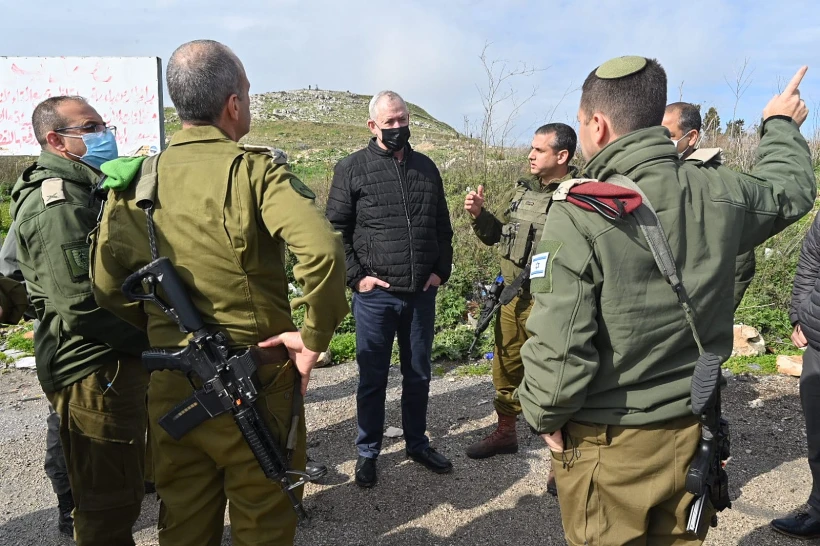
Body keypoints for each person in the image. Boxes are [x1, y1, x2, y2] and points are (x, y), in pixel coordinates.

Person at [518, 56, 813, 545]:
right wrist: (779, 124)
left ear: (597, 123)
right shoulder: (718, 189)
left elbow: (560, 341)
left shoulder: (580, 211)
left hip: (609, 442)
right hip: (692, 429)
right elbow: (789, 190)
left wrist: (543, 415)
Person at [91, 39, 348, 545]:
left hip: (172, 381)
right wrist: (312, 339)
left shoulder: (137, 183)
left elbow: (106, 286)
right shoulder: (255, 171)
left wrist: (163, 329)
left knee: (183, 522)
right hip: (255, 378)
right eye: (247, 94)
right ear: (234, 103)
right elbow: (323, 254)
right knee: (264, 520)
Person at [10, 96, 151, 546]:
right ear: (56, 139)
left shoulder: (85, 188)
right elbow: (80, 305)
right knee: (106, 505)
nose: (102, 134)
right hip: (92, 365)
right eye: (89, 127)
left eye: (101, 124)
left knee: (119, 489)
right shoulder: (59, 203)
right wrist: (152, 341)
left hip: (105, 360)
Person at [325, 90, 454, 488]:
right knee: (373, 378)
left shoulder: (427, 167)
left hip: (420, 294)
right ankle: (368, 452)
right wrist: (356, 277)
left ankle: (416, 443)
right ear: (373, 126)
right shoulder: (351, 169)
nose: (398, 127)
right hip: (376, 296)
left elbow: (442, 225)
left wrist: (440, 271)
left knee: (418, 374)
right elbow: (334, 231)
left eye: (403, 120)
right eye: (390, 122)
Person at [463, 123, 578, 491]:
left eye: (539, 150)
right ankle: (505, 432)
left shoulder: (579, 196)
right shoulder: (523, 190)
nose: (530, 155)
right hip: (512, 299)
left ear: (562, 156)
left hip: (552, 301)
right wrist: (481, 216)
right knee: (506, 363)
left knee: (552, 374)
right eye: (531, 148)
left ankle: (560, 457)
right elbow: (501, 237)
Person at [0, 222, 74, 537]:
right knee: (70, 415)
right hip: (72, 339)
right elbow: (9, 278)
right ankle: (70, 504)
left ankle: (142, 475)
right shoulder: (47, 195)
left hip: (134, 329)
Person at [662, 102, 755, 309]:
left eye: (668, 135)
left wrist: (718, 312)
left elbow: (741, 261)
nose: (660, 142)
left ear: (692, 137)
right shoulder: (658, 177)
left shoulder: (720, 185)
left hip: (702, 312)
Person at [772, 215, 820, 539]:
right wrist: (800, 313)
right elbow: (810, 260)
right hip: (818, 343)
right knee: (818, 438)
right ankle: (819, 511)